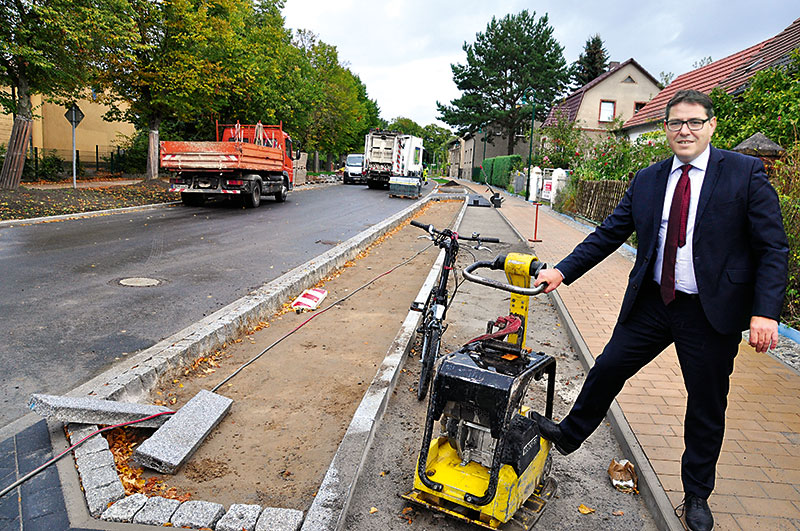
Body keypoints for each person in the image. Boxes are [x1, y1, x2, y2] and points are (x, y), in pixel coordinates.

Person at [532, 89, 788, 531]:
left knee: (706, 405)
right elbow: (609, 233)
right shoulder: (649, 179)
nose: (684, 131)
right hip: (654, 302)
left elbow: (773, 247)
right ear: (665, 129)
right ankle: (570, 435)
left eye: (694, 122)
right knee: (608, 366)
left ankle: (696, 496)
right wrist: (562, 271)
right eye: (675, 123)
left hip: (711, 313)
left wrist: (765, 312)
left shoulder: (744, 173)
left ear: (711, 126)